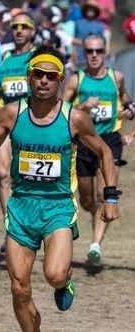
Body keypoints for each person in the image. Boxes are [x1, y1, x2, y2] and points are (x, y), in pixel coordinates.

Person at [0, 46, 120, 331]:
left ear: (61, 80)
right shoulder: (12, 113)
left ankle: (65, 281)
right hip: (21, 205)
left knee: (54, 275)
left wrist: (110, 197)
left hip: (58, 206)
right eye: (38, 74)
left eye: (51, 76)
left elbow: (105, 152)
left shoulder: (74, 118)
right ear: (29, 77)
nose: (44, 80)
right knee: (19, 288)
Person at [61, 33, 134, 265]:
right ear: (84, 53)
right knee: (86, 200)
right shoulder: (76, 79)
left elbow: (128, 102)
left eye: (98, 51)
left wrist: (129, 113)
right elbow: (61, 110)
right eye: (89, 51)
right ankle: (93, 213)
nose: (94, 55)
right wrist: (82, 107)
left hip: (110, 141)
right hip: (83, 142)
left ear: (105, 52)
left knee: (105, 195)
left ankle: (95, 245)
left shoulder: (116, 77)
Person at [0, 11, 37, 253]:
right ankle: (11, 229)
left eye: (24, 26)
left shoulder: (37, 57)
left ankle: (32, 228)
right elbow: (0, 90)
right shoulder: (6, 57)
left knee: (27, 178)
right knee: (2, 174)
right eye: (15, 26)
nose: (19, 30)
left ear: (32, 31)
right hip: (5, 121)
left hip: (30, 123)